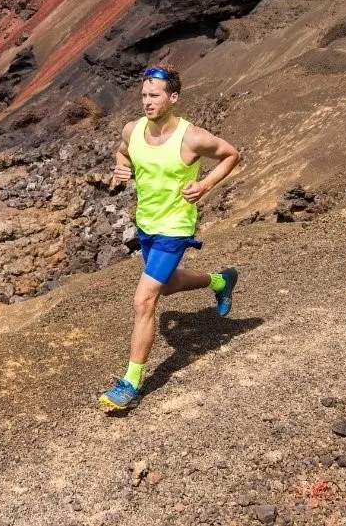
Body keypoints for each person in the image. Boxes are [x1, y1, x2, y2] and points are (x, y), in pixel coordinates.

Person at [98, 66, 241, 411]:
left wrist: (205, 185)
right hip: (146, 224)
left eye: (155, 95)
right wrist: (122, 167)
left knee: (144, 300)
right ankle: (220, 280)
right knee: (166, 284)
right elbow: (122, 152)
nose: (147, 102)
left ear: (172, 98)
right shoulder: (132, 130)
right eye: (144, 95)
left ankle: (130, 384)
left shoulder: (191, 138)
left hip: (175, 227)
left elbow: (231, 154)